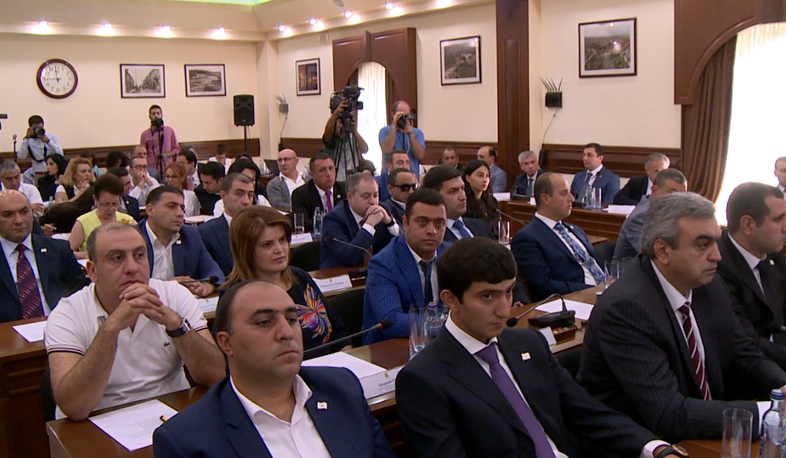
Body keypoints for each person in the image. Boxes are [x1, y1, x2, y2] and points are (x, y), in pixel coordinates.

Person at [396, 237, 678, 458]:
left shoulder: (527, 342)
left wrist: (654, 448)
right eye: (486, 296)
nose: (503, 309)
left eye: (508, 292)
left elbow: (587, 412)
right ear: (451, 299)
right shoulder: (424, 378)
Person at [577, 192, 786, 442]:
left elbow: (746, 355)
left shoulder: (709, 285)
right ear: (663, 250)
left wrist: (782, 392)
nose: (717, 255)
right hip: (645, 444)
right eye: (702, 245)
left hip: (697, 433)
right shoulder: (626, 309)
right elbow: (669, 413)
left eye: (716, 242)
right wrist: (770, 413)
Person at [151, 280, 395, 458]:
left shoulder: (343, 389)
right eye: (264, 323)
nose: (286, 333)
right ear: (227, 343)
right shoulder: (186, 441)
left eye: (291, 320)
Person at [45, 222, 225, 420]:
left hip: (172, 413)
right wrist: (111, 328)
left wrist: (175, 324)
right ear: (92, 271)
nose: (132, 268)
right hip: (99, 419)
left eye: (139, 255)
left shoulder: (175, 295)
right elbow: (74, 406)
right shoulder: (68, 313)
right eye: (117, 258)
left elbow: (215, 374)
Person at [222, 206, 348, 355]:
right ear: (246, 251)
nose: (280, 249)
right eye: (267, 244)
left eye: (282, 240)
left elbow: (339, 334)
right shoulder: (234, 296)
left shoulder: (299, 277)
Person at [361, 189, 448, 344]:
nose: (432, 230)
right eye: (422, 222)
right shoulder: (383, 263)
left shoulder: (450, 254)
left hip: (441, 345)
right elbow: (392, 321)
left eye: (439, 223)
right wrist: (447, 324)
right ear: (406, 223)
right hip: (390, 349)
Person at [718, 183, 786, 370]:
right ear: (748, 224)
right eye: (779, 219)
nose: (785, 227)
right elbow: (745, 339)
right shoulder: (717, 266)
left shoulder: (774, 253)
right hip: (747, 373)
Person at [511, 172, 605, 301]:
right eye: (564, 193)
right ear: (546, 199)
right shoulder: (526, 238)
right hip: (577, 300)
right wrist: (591, 290)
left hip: (606, 292)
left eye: (570, 192)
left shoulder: (575, 230)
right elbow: (544, 286)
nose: (571, 198)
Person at [0, 190, 86, 323]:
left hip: (60, 326)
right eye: (8, 215)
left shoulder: (59, 250)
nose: (18, 220)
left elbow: (80, 294)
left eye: (24, 212)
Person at [139, 185, 224, 297]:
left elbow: (214, 272)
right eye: (171, 206)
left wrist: (207, 286)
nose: (180, 214)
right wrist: (167, 287)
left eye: (182, 208)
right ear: (150, 210)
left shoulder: (190, 235)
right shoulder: (133, 238)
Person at [320, 173, 399, 269]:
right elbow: (349, 257)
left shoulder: (383, 209)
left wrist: (389, 222)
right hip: (341, 275)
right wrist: (369, 225)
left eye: (375, 195)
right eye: (366, 196)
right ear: (350, 197)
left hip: (376, 273)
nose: (373, 202)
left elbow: (402, 247)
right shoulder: (334, 219)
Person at [614, 169, 688, 259]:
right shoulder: (640, 217)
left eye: (682, 196)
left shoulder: (670, 212)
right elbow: (652, 254)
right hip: (630, 270)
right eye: (672, 193)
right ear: (655, 190)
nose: (677, 200)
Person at [198, 173, 255, 277]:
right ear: (223, 196)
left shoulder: (261, 229)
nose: (246, 201)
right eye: (239, 194)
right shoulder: (206, 233)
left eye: (250, 195)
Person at [68, 174, 136, 260]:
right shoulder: (83, 222)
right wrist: (85, 255)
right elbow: (67, 252)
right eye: (106, 204)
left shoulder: (127, 220)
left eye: (115, 204)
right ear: (95, 199)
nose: (111, 209)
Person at [421, 166, 493, 242]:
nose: (463, 197)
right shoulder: (432, 235)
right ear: (434, 196)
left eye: (462, 189)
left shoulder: (481, 225)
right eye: (453, 191)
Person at [291, 153, 346, 232]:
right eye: (322, 170)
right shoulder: (300, 194)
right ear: (312, 174)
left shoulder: (345, 189)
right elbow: (303, 223)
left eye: (331, 168)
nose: (328, 174)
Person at [323, 96, 369, 181]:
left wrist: (354, 131)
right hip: (337, 179)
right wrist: (336, 114)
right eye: (340, 122)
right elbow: (327, 133)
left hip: (352, 179)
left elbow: (364, 149)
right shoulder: (332, 141)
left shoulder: (351, 137)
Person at [378, 100, 424, 178]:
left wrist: (410, 135)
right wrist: (394, 127)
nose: (404, 118)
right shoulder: (385, 131)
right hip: (390, 177)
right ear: (393, 114)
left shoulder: (417, 133)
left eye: (407, 115)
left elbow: (420, 155)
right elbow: (386, 149)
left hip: (411, 176)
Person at [463, 159, 501, 237]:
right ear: (468, 178)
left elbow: (498, 227)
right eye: (480, 175)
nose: (485, 180)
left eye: (487, 176)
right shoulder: (463, 202)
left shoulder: (492, 201)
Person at [18, 115, 63, 180]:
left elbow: (60, 153)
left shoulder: (51, 137)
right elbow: (21, 156)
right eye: (35, 128)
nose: (38, 130)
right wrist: (26, 138)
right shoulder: (29, 140)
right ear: (30, 128)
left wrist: (48, 142)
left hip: (52, 174)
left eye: (40, 127)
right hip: (37, 174)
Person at [140, 105, 179, 179]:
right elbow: (142, 152)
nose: (156, 116)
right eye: (153, 114)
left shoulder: (169, 131)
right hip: (152, 167)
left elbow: (176, 149)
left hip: (167, 166)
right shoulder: (144, 134)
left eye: (158, 113)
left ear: (162, 115)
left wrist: (167, 155)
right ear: (149, 116)